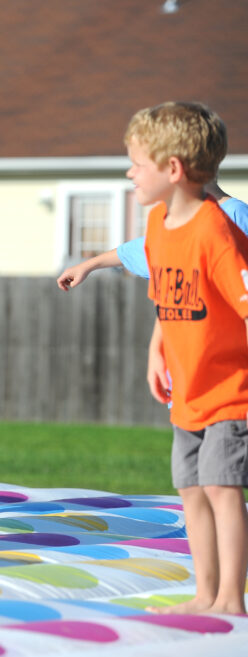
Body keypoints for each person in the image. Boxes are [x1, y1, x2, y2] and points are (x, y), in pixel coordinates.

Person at [129, 101, 248, 616]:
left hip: (230, 390)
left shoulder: (216, 230)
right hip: (188, 390)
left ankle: (231, 600)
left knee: (223, 487)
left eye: (136, 163)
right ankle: (204, 594)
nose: (129, 172)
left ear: (172, 170)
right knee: (191, 489)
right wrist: (158, 349)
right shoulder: (158, 223)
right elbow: (168, 294)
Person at [56, 181, 247, 289]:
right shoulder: (168, 221)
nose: (132, 174)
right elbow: (140, 249)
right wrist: (89, 265)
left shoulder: (236, 214)